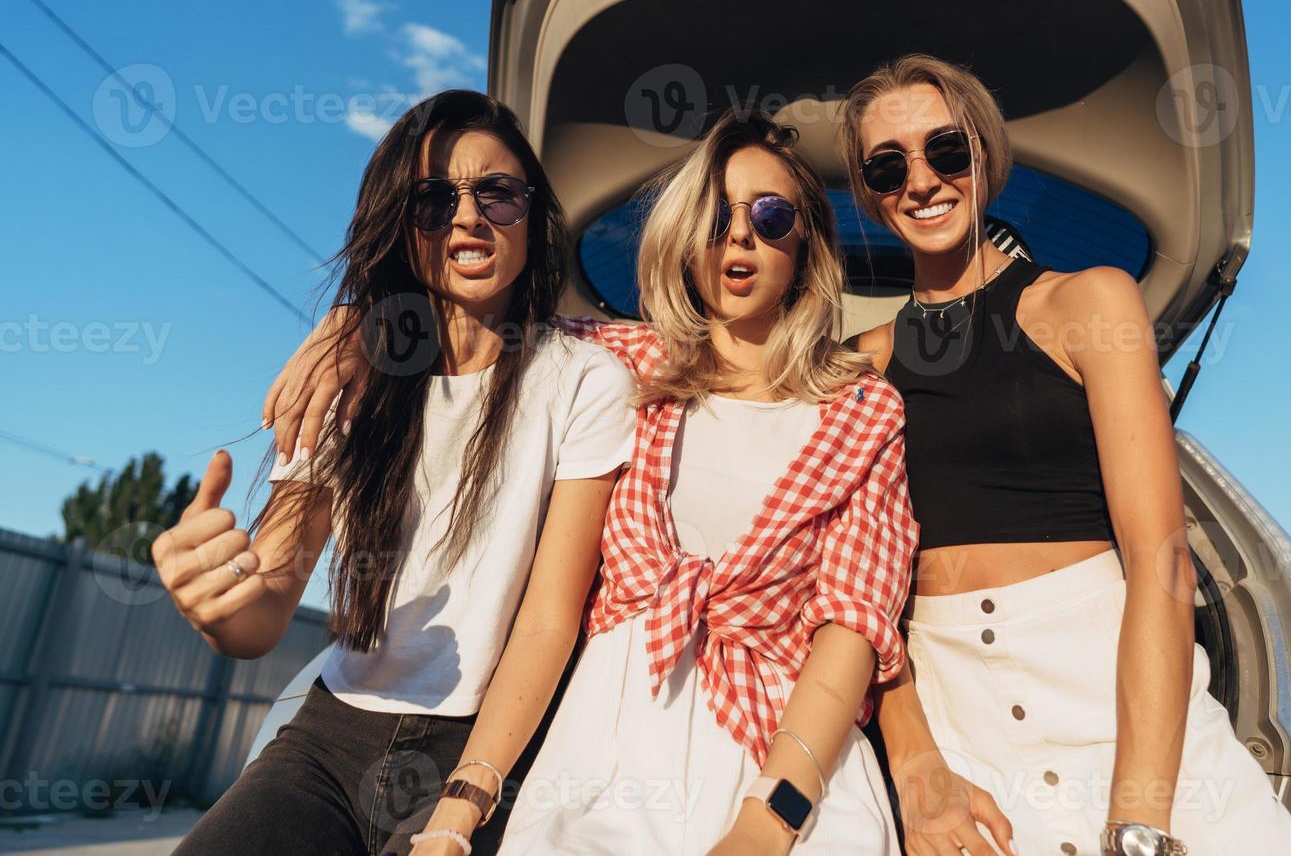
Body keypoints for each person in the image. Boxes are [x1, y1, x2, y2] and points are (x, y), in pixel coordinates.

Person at [266, 109, 951, 855]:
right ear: (684, 236)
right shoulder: (617, 364)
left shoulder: (862, 410)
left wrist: (770, 818)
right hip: (605, 753)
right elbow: (474, 322)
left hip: (785, 754)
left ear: (807, 245)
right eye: (714, 214)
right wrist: (356, 323)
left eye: (771, 214)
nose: (740, 235)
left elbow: (851, 626)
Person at [838, 54, 1291, 856]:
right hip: (953, 706)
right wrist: (920, 772)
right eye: (888, 166)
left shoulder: (1090, 300)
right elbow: (858, 602)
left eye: (946, 150)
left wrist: (1140, 820)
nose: (921, 180)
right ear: (869, 192)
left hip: (1120, 688)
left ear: (984, 155)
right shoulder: (859, 365)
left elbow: (1161, 561)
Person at [164, 90, 635, 856]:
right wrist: (220, 607)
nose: (467, 216)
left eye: (497, 193)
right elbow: (270, 602)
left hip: (487, 745)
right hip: (329, 734)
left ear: (531, 214)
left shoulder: (584, 380)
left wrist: (464, 802)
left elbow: (551, 618)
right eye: (432, 200)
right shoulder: (346, 376)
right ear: (400, 222)